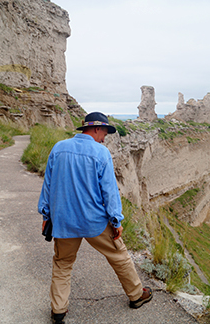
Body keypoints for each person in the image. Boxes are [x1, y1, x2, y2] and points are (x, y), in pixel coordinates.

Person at [38, 112, 152, 324]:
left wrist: (46, 214)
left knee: (62, 263)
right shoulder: (100, 153)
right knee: (120, 256)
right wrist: (116, 221)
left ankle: (58, 310)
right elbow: (109, 191)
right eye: (105, 132)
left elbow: (48, 184)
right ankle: (137, 296)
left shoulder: (58, 148)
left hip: (64, 221)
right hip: (95, 221)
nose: (105, 137)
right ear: (97, 129)